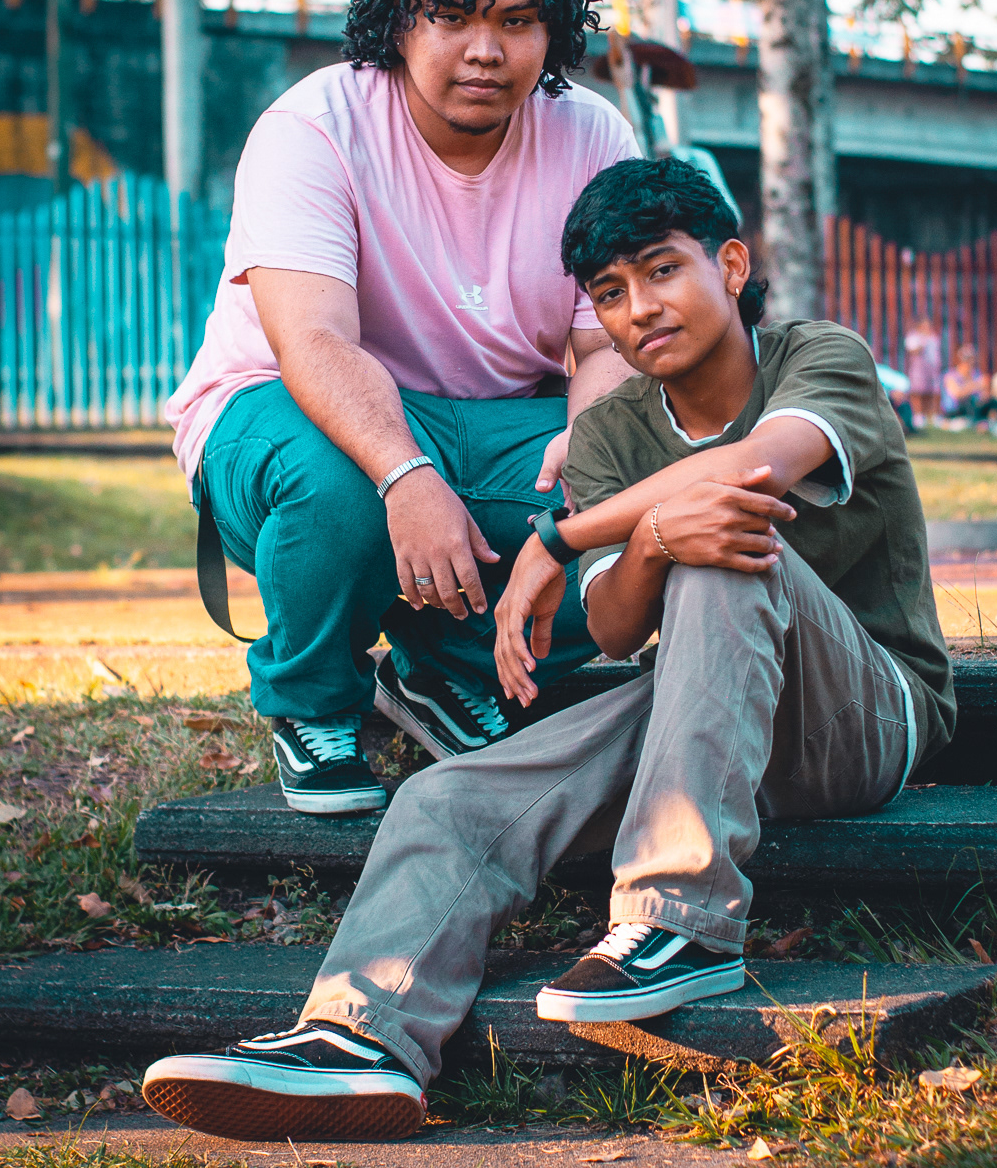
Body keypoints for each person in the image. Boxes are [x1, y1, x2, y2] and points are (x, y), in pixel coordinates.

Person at [141, 158, 954, 1144]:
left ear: (732, 266)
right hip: (709, 709)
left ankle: (681, 920)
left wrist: (556, 539)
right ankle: (362, 1035)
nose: (639, 309)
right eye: (609, 293)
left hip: (867, 712)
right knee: (449, 797)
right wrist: (640, 542)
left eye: (663, 271)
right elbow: (613, 628)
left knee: (721, 544)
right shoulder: (610, 431)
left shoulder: (819, 356)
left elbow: (752, 471)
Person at [165, 0, 639, 814]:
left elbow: (607, 347)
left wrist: (596, 452)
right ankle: (312, 703)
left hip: (498, 425)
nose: (485, 50)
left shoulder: (593, 136)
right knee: (340, 487)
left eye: (517, 21)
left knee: (640, 492)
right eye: (452, 17)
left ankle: (450, 670)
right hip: (295, 413)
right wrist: (406, 475)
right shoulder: (314, 127)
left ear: (552, 32)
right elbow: (312, 341)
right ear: (398, 21)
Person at [939, 344, 994, 426]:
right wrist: (976, 386)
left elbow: (984, 393)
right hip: (955, 410)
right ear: (960, 361)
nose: (971, 363)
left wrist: (985, 392)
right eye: (968, 360)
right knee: (969, 402)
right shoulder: (950, 375)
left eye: (972, 359)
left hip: (974, 407)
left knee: (993, 402)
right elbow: (957, 394)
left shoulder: (976, 374)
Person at [903, 317, 941, 426]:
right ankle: (918, 416)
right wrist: (923, 341)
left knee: (933, 392)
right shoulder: (913, 337)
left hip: (932, 369)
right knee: (918, 392)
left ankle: (932, 416)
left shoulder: (933, 337)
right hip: (918, 369)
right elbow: (913, 351)